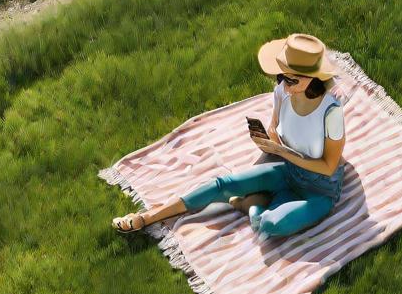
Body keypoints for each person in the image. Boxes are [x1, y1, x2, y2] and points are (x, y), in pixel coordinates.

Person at [112, 33, 346, 238]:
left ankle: (250, 204)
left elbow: (328, 166)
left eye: (293, 79)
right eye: (281, 77)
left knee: (269, 225)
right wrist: (269, 140)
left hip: (319, 190)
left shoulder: (330, 113)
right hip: (289, 171)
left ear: (313, 78)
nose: (284, 84)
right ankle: (148, 217)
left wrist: (282, 152)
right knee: (222, 184)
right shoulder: (282, 93)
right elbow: (276, 127)